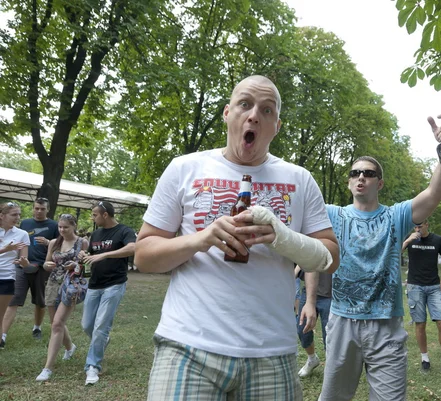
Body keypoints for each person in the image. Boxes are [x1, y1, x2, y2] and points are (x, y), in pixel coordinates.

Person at [135, 75, 339, 401]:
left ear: (276, 126)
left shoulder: (300, 179)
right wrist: (201, 239)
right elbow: (144, 255)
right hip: (187, 346)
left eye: (267, 110)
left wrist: (282, 237)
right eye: (245, 104)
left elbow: (330, 257)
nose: (254, 114)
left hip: (272, 352)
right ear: (227, 113)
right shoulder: (184, 168)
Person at [319, 114, 441, 401]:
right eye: (355, 172)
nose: (361, 177)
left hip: (386, 326)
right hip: (343, 321)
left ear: (379, 184)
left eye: (369, 173)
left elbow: (436, 192)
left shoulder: (396, 216)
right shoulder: (332, 214)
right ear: (349, 182)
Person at [79, 201, 136, 385]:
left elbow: (132, 248)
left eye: (95, 214)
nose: (93, 218)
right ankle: (103, 340)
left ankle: (92, 367)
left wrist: (105, 254)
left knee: (100, 326)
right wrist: (83, 256)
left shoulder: (124, 231)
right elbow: (91, 254)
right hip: (94, 285)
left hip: (114, 284)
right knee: (87, 325)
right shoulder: (96, 233)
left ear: (105, 215)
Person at [36, 214, 89, 381]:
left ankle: (47, 368)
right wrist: (46, 265)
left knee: (57, 324)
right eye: (60, 227)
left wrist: (76, 264)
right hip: (53, 284)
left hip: (71, 285)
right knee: (55, 323)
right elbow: (46, 264)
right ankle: (70, 347)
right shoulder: (54, 242)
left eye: (65, 227)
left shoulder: (82, 242)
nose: (62, 230)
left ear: (73, 226)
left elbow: (86, 265)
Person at [402, 221, 441, 376]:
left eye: (420, 226)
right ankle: (424, 359)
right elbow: (395, 254)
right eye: (415, 226)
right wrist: (407, 241)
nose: (418, 229)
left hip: (434, 287)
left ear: (427, 224)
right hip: (415, 286)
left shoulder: (437, 240)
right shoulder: (410, 239)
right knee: (420, 324)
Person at [2, 197, 58, 347]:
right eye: (36, 208)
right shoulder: (25, 223)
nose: (39, 211)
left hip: (41, 267)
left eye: (42, 209)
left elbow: (60, 246)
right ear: (33, 208)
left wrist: (48, 243)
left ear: (48, 209)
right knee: (14, 300)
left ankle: (37, 327)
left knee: (40, 301)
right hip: (21, 267)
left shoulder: (54, 225)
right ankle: (3, 335)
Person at [0, 202, 30, 350]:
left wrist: (23, 262)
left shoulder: (22, 234)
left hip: (7, 277)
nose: (17, 217)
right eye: (14, 214)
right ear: (2, 215)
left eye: (19, 214)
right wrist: (5, 249)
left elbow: (25, 261)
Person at [295, 266, 332, 378]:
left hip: (330, 294)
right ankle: (312, 359)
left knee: (330, 337)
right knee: (302, 330)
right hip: (308, 292)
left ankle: (330, 368)